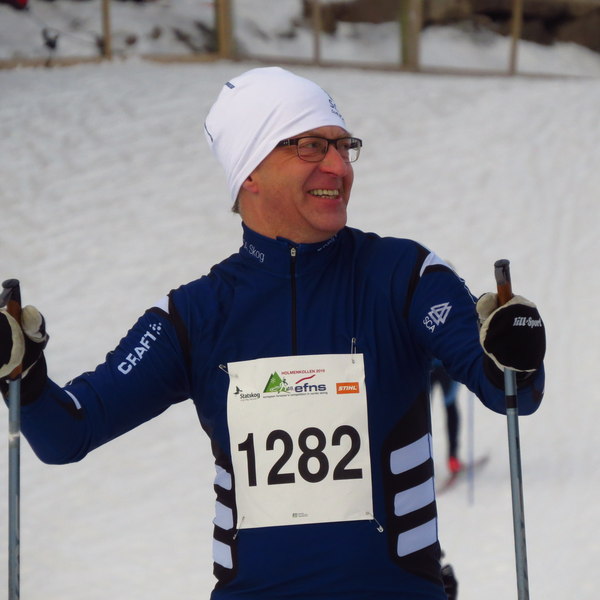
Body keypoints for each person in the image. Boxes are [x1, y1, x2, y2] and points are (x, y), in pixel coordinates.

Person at [0, 66, 546, 599]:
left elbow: (510, 389)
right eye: (310, 146)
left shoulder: (403, 276)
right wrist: (20, 370)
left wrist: (514, 348)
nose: (338, 166)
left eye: (343, 146)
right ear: (250, 171)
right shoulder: (197, 315)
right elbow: (65, 434)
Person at [430, 358, 462, 474]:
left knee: (422, 410)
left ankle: (452, 459)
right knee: (450, 406)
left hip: (429, 364)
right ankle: (453, 459)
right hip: (445, 362)